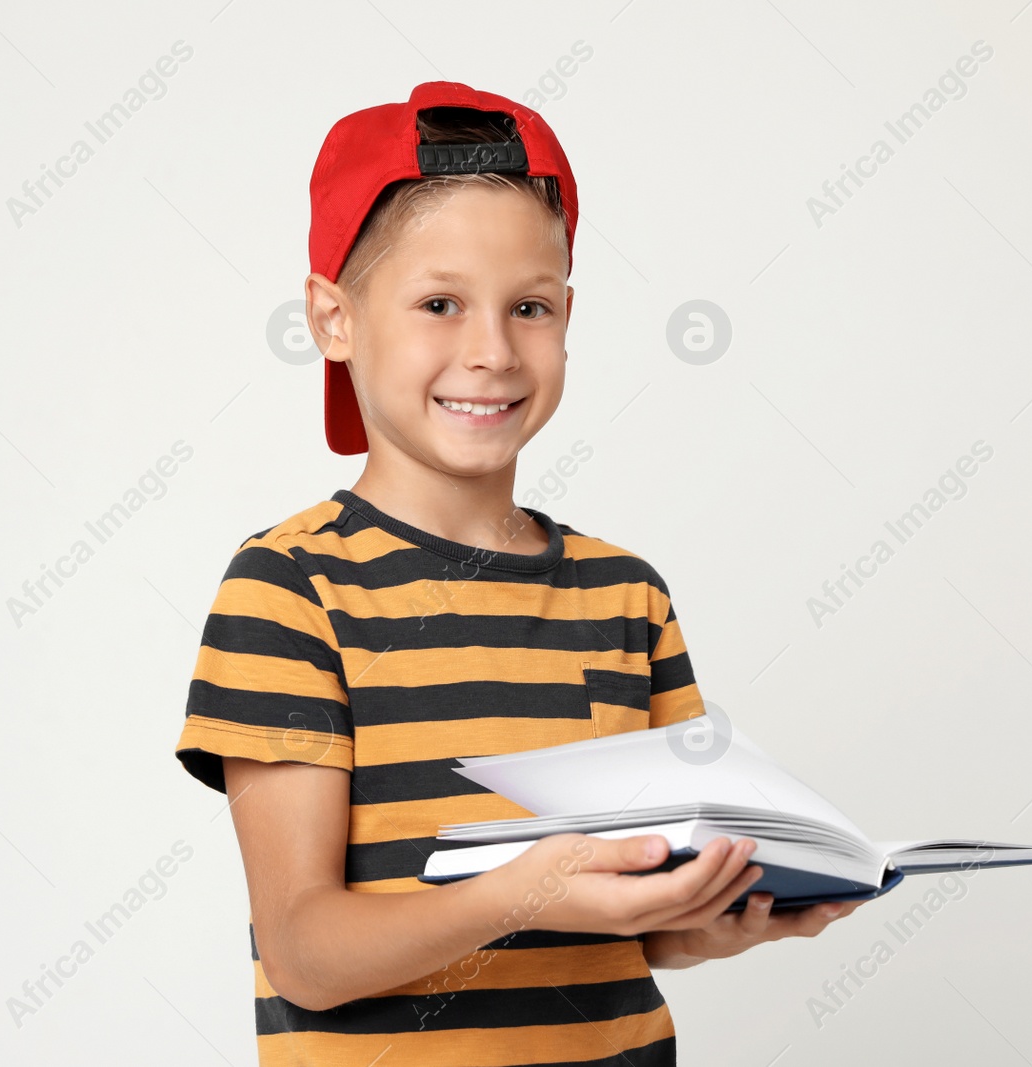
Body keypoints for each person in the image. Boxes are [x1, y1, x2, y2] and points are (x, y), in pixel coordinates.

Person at [173, 80, 861, 1066]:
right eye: (439, 303)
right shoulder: (289, 588)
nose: (491, 351)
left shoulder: (627, 593)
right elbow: (305, 953)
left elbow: (643, 922)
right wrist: (519, 890)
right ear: (334, 318)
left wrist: (722, 915)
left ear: (567, 316)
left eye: (528, 306)